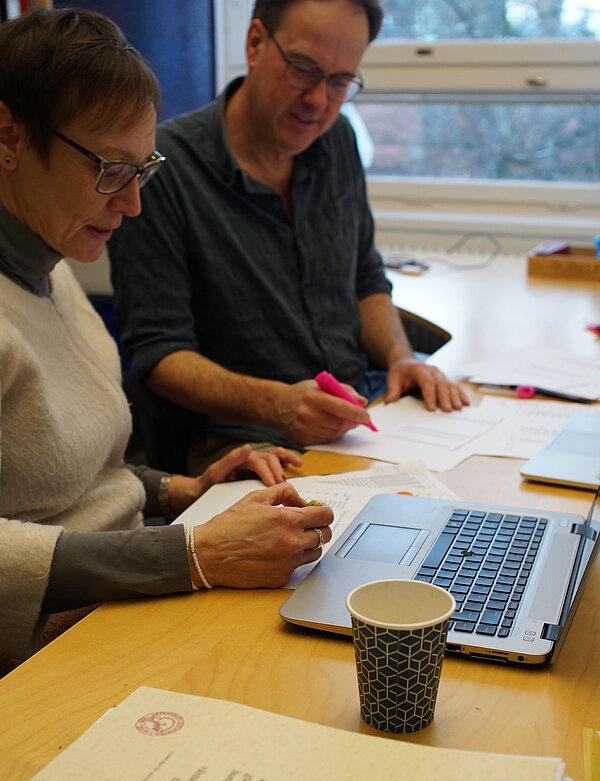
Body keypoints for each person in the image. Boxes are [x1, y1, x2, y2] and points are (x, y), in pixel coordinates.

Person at [0, 7, 333, 663]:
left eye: (141, 169)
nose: (132, 204)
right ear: (8, 137)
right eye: (110, 169)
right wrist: (195, 551)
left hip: (129, 591)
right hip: (51, 646)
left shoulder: (51, 265)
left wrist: (189, 490)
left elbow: (76, 475)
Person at [108, 0, 470, 476]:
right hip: (241, 444)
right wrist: (276, 403)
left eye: (340, 82)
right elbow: (160, 355)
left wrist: (402, 359)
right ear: (255, 43)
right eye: (304, 70)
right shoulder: (166, 170)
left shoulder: (336, 140)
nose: (318, 101)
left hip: (360, 422)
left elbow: (365, 278)